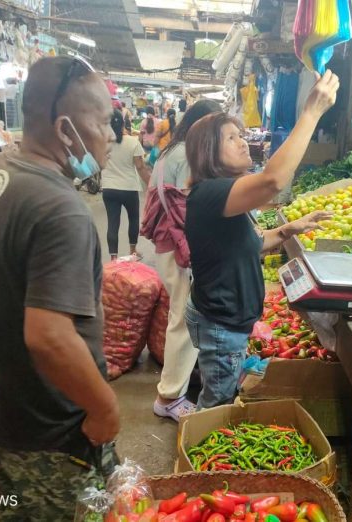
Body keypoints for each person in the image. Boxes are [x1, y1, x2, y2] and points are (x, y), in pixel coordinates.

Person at [0, 56, 120, 520]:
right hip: (53, 436)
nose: (111, 136)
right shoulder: (60, 208)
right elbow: (49, 336)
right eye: (103, 122)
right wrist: (103, 409)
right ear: (66, 130)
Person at [184, 71, 339, 409]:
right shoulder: (210, 193)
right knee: (217, 405)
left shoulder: (226, 196)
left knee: (221, 394)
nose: (243, 142)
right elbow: (273, 180)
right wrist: (311, 113)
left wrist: (286, 230)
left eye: (242, 135)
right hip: (221, 324)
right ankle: (200, 456)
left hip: (225, 321)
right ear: (209, 152)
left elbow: (247, 244)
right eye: (231, 138)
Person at [149, 99, 222, 421]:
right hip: (181, 248)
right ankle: (169, 397)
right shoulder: (187, 154)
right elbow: (193, 207)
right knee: (184, 319)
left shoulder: (171, 151)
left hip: (168, 245)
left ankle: (181, 381)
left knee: (183, 315)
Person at [102, 109, 150, 260]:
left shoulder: (103, 142)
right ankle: (133, 252)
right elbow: (141, 167)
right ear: (124, 123)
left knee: (112, 223)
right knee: (133, 219)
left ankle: (113, 259)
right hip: (129, 188)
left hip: (109, 188)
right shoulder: (132, 142)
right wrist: (151, 185)